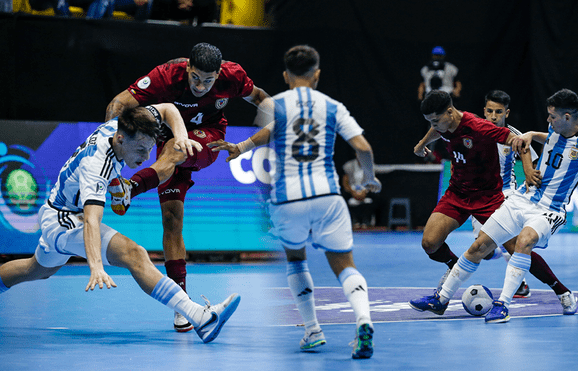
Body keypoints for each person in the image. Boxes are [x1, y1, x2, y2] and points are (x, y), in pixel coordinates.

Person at [0, 105, 240, 342]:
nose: (146, 158)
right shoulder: (97, 165)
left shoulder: (127, 126)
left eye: (149, 150)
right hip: (63, 219)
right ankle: (201, 318)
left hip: (59, 210)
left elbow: (167, 109)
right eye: (140, 151)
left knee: (35, 270)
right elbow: (92, 220)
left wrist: (180, 139)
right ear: (121, 139)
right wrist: (96, 266)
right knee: (134, 254)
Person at [208, 45, 380, 359]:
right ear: (317, 75)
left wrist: (241, 147)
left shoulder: (275, 105)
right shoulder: (332, 106)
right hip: (328, 196)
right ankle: (364, 320)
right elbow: (363, 147)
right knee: (344, 265)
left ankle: (313, 331)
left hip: (289, 200)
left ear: (287, 76)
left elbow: (271, 133)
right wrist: (368, 178)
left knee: (296, 261)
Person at [413, 88, 578, 323]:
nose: (548, 121)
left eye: (552, 116)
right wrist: (532, 133)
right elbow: (549, 137)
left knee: (522, 243)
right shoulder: (555, 127)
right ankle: (441, 299)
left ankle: (503, 304)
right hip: (523, 198)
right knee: (479, 246)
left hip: (550, 209)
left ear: (567, 117)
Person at [105, 42, 269, 333]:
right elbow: (118, 104)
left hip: (208, 140)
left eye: (208, 80)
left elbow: (258, 97)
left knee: (174, 147)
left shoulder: (232, 76)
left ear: (218, 73)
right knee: (171, 220)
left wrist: (283, 113)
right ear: (188, 68)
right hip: (167, 151)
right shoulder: (166, 76)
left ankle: (131, 188)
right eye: (196, 78)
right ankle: (182, 307)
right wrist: (108, 141)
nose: (201, 86)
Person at [409, 90, 574, 311]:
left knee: (518, 248)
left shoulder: (479, 127)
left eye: (436, 120)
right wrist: (422, 144)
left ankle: (561, 290)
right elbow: (437, 131)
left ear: (450, 112)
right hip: (456, 194)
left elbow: (519, 141)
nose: (434, 125)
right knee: (430, 243)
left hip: (488, 198)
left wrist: (527, 170)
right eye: (430, 121)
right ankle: (453, 267)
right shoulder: (443, 124)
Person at [471, 90, 540, 298]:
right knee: (485, 250)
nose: (493, 116)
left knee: (511, 238)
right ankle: (498, 248)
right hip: (480, 196)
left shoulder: (515, 136)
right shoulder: (474, 131)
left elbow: (531, 161)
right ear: (484, 111)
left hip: (506, 194)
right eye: (490, 111)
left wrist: (532, 181)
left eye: (498, 112)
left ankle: (520, 283)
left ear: (506, 113)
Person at [342, 157, 378, 229]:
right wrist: (353, 192)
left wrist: (365, 191)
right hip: (352, 191)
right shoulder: (349, 166)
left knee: (376, 196)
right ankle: (353, 221)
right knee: (343, 197)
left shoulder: (370, 166)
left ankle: (367, 221)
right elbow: (345, 181)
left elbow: (372, 182)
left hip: (365, 191)